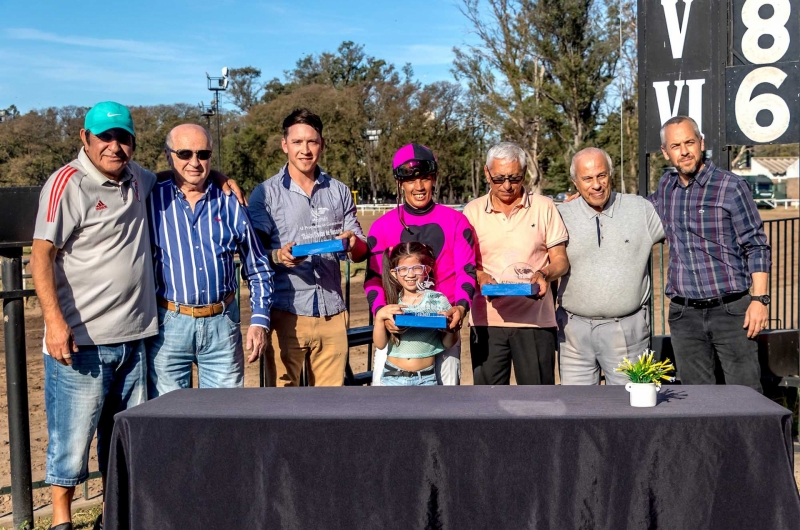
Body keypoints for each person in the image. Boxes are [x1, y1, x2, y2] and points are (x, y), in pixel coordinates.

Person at [30, 102, 157, 530]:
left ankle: (112, 515)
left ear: (133, 142)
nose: (114, 146)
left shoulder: (139, 179)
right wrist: (54, 323)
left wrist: (217, 176)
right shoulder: (66, 183)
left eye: (122, 137)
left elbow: (182, 176)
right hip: (80, 343)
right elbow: (41, 255)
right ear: (85, 138)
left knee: (121, 442)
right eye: (104, 137)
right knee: (70, 441)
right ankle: (61, 521)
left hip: (134, 340)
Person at [146, 124, 274, 396]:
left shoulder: (230, 201)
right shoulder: (150, 198)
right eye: (184, 153)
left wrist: (260, 320)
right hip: (169, 325)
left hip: (222, 325)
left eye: (203, 154)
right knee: (169, 420)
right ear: (169, 156)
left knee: (223, 420)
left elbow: (258, 264)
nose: (194, 162)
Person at [248, 108, 368, 386]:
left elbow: (361, 251)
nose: (305, 149)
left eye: (312, 141)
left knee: (329, 407)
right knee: (281, 403)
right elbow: (253, 255)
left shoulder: (338, 190)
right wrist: (278, 256)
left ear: (322, 144)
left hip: (332, 313)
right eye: (297, 142)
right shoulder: (265, 194)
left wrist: (352, 243)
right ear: (284, 145)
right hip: (286, 312)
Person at [650, 116, 770, 392]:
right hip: (684, 315)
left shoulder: (731, 186)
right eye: (676, 145)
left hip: (731, 311)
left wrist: (760, 300)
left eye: (690, 142)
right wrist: (582, 201)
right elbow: (633, 209)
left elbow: (757, 245)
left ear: (701, 143)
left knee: (746, 397)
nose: (684, 151)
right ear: (665, 152)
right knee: (697, 402)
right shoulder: (665, 187)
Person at [365, 144, 477, 385]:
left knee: (443, 413)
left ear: (434, 178)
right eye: (411, 180)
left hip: (443, 327)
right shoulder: (381, 227)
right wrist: (381, 313)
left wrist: (460, 309)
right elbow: (373, 278)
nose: (418, 187)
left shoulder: (458, 222)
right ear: (400, 183)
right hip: (397, 334)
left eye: (425, 178)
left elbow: (467, 271)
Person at [556, 148, 665, 385]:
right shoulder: (559, 214)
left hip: (627, 330)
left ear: (611, 175)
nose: (596, 184)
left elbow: (683, 230)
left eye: (601, 176)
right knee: (578, 410)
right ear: (575, 182)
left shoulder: (640, 209)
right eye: (587, 179)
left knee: (631, 408)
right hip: (573, 333)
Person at [464, 142, 569, 385]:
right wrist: (480, 276)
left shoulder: (544, 207)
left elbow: (561, 260)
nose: (508, 186)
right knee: (488, 404)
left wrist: (544, 273)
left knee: (538, 403)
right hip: (486, 322)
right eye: (499, 178)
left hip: (536, 323)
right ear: (486, 173)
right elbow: (464, 263)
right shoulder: (471, 212)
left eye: (515, 177)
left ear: (525, 173)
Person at [373, 243, 458, 385]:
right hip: (392, 378)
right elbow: (380, 344)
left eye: (417, 268)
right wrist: (380, 318)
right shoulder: (391, 302)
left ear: (427, 270)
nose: (410, 274)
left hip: (426, 379)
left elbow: (448, 343)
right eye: (403, 269)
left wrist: (450, 328)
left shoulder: (438, 301)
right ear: (394, 273)